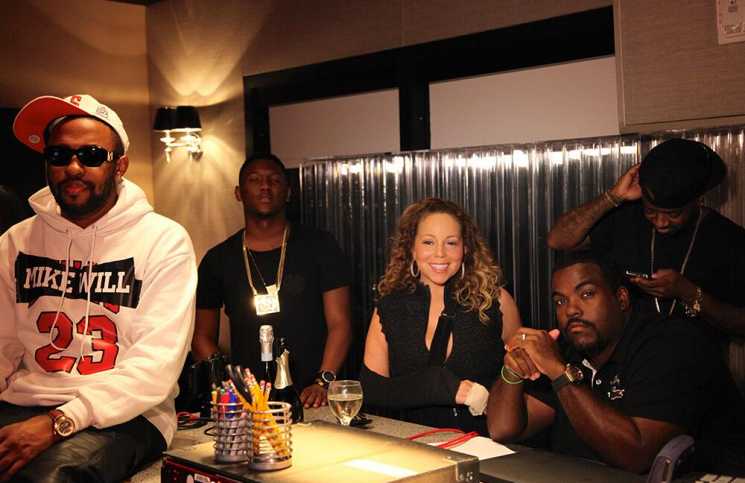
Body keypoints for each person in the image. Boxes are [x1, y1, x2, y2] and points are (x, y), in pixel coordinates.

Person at [0, 94, 197, 481]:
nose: (73, 167)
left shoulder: (163, 240)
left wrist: (60, 421)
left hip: (127, 413)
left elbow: (155, 366)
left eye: (91, 155)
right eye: (59, 155)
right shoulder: (14, 242)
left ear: (119, 165)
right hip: (26, 401)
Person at [486, 252, 745, 474]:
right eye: (560, 301)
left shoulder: (672, 344)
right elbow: (503, 429)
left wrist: (559, 372)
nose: (571, 310)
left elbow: (637, 456)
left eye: (587, 294)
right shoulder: (568, 348)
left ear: (621, 299)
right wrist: (512, 369)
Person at [194, 153, 352, 408]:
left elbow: (340, 323)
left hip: (312, 396)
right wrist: (229, 385)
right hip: (250, 401)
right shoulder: (218, 259)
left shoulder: (320, 246)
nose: (265, 186)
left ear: (288, 192)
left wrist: (323, 381)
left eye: (274, 180)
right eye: (255, 180)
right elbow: (201, 336)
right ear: (239, 193)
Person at [547, 138, 745, 340]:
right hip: (628, 355)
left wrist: (689, 293)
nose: (661, 222)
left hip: (695, 356)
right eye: (651, 211)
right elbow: (557, 240)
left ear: (697, 200)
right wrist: (613, 196)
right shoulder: (625, 218)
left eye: (673, 214)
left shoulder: (728, 239)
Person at [361, 198, 521, 435]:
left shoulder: (495, 301)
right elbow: (372, 390)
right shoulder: (390, 307)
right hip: (414, 443)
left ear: (465, 248)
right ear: (412, 248)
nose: (440, 254)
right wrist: (438, 387)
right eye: (428, 242)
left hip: (485, 444)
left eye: (451, 243)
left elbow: (520, 377)